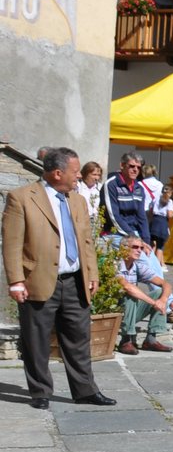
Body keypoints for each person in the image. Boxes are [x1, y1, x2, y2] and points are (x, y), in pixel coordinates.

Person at [3, 147, 116, 409]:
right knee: (37, 339)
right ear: (57, 173)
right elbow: (11, 244)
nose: (79, 177)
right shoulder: (21, 198)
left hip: (74, 281)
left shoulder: (77, 200)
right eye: (75, 172)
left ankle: (85, 390)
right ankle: (40, 391)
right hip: (38, 280)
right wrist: (16, 281)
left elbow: (86, 241)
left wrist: (92, 273)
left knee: (78, 338)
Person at [109, 236, 173, 354]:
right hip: (113, 310)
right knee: (130, 294)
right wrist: (154, 303)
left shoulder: (137, 266)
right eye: (135, 247)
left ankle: (151, 340)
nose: (139, 250)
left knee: (160, 292)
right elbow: (127, 287)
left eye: (141, 247)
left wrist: (163, 300)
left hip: (130, 311)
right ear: (123, 248)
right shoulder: (114, 265)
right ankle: (126, 340)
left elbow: (166, 284)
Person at [103, 152, 149, 243]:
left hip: (135, 234)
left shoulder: (139, 188)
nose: (135, 170)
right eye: (132, 166)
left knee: (151, 257)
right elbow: (114, 216)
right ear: (122, 165)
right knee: (140, 257)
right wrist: (133, 237)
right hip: (115, 233)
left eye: (138, 167)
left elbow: (142, 217)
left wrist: (146, 240)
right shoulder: (111, 185)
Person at [139, 164, 169, 265]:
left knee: (145, 236)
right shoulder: (160, 184)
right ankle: (158, 262)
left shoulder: (140, 184)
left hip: (142, 211)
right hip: (155, 214)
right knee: (155, 238)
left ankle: (146, 258)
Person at [76, 161, 103, 225]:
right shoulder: (78, 187)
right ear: (85, 174)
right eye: (94, 175)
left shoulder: (100, 188)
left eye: (98, 175)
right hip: (81, 221)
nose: (97, 178)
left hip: (97, 223)